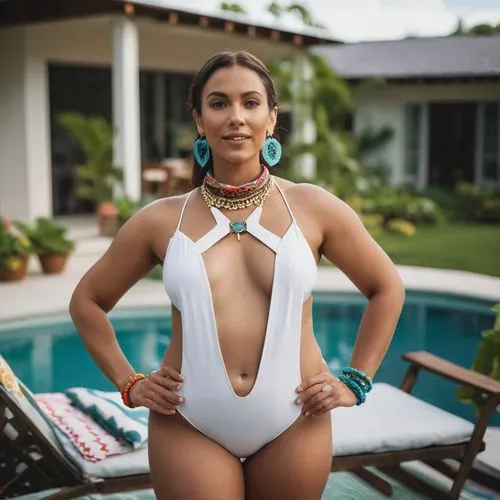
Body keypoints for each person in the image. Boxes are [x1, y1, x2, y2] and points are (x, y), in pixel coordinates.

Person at [69, 50, 405, 500]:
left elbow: (386, 288)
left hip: (295, 420)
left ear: (272, 117)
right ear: (199, 118)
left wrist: (355, 381)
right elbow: (87, 301)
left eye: (250, 102)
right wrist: (130, 383)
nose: (236, 117)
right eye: (219, 103)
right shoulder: (160, 220)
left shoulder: (313, 207)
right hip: (189, 423)